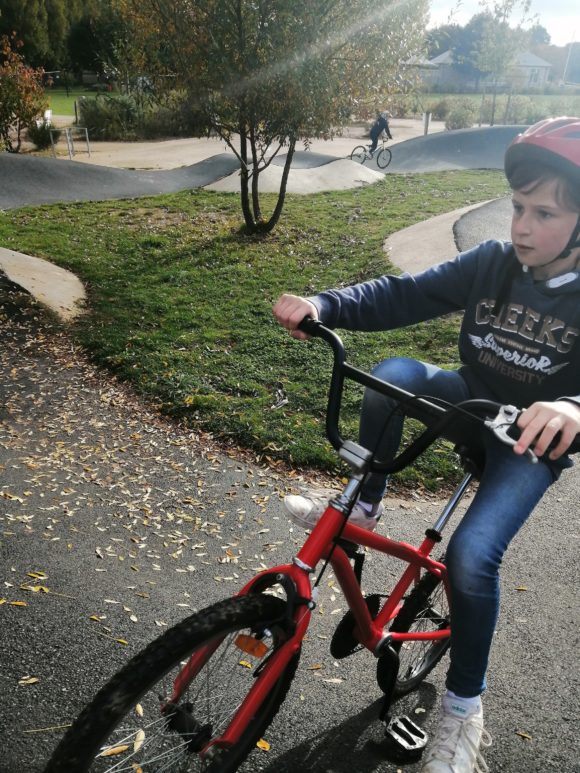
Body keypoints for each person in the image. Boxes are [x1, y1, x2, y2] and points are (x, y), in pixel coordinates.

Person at [272, 117, 580, 773]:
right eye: (518, 207)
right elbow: (404, 293)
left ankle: (463, 715)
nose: (521, 225)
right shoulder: (493, 263)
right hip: (468, 398)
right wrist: (327, 304)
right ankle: (362, 505)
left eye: (543, 212)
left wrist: (572, 405)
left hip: (525, 445)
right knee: (393, 376)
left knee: (471, 556)